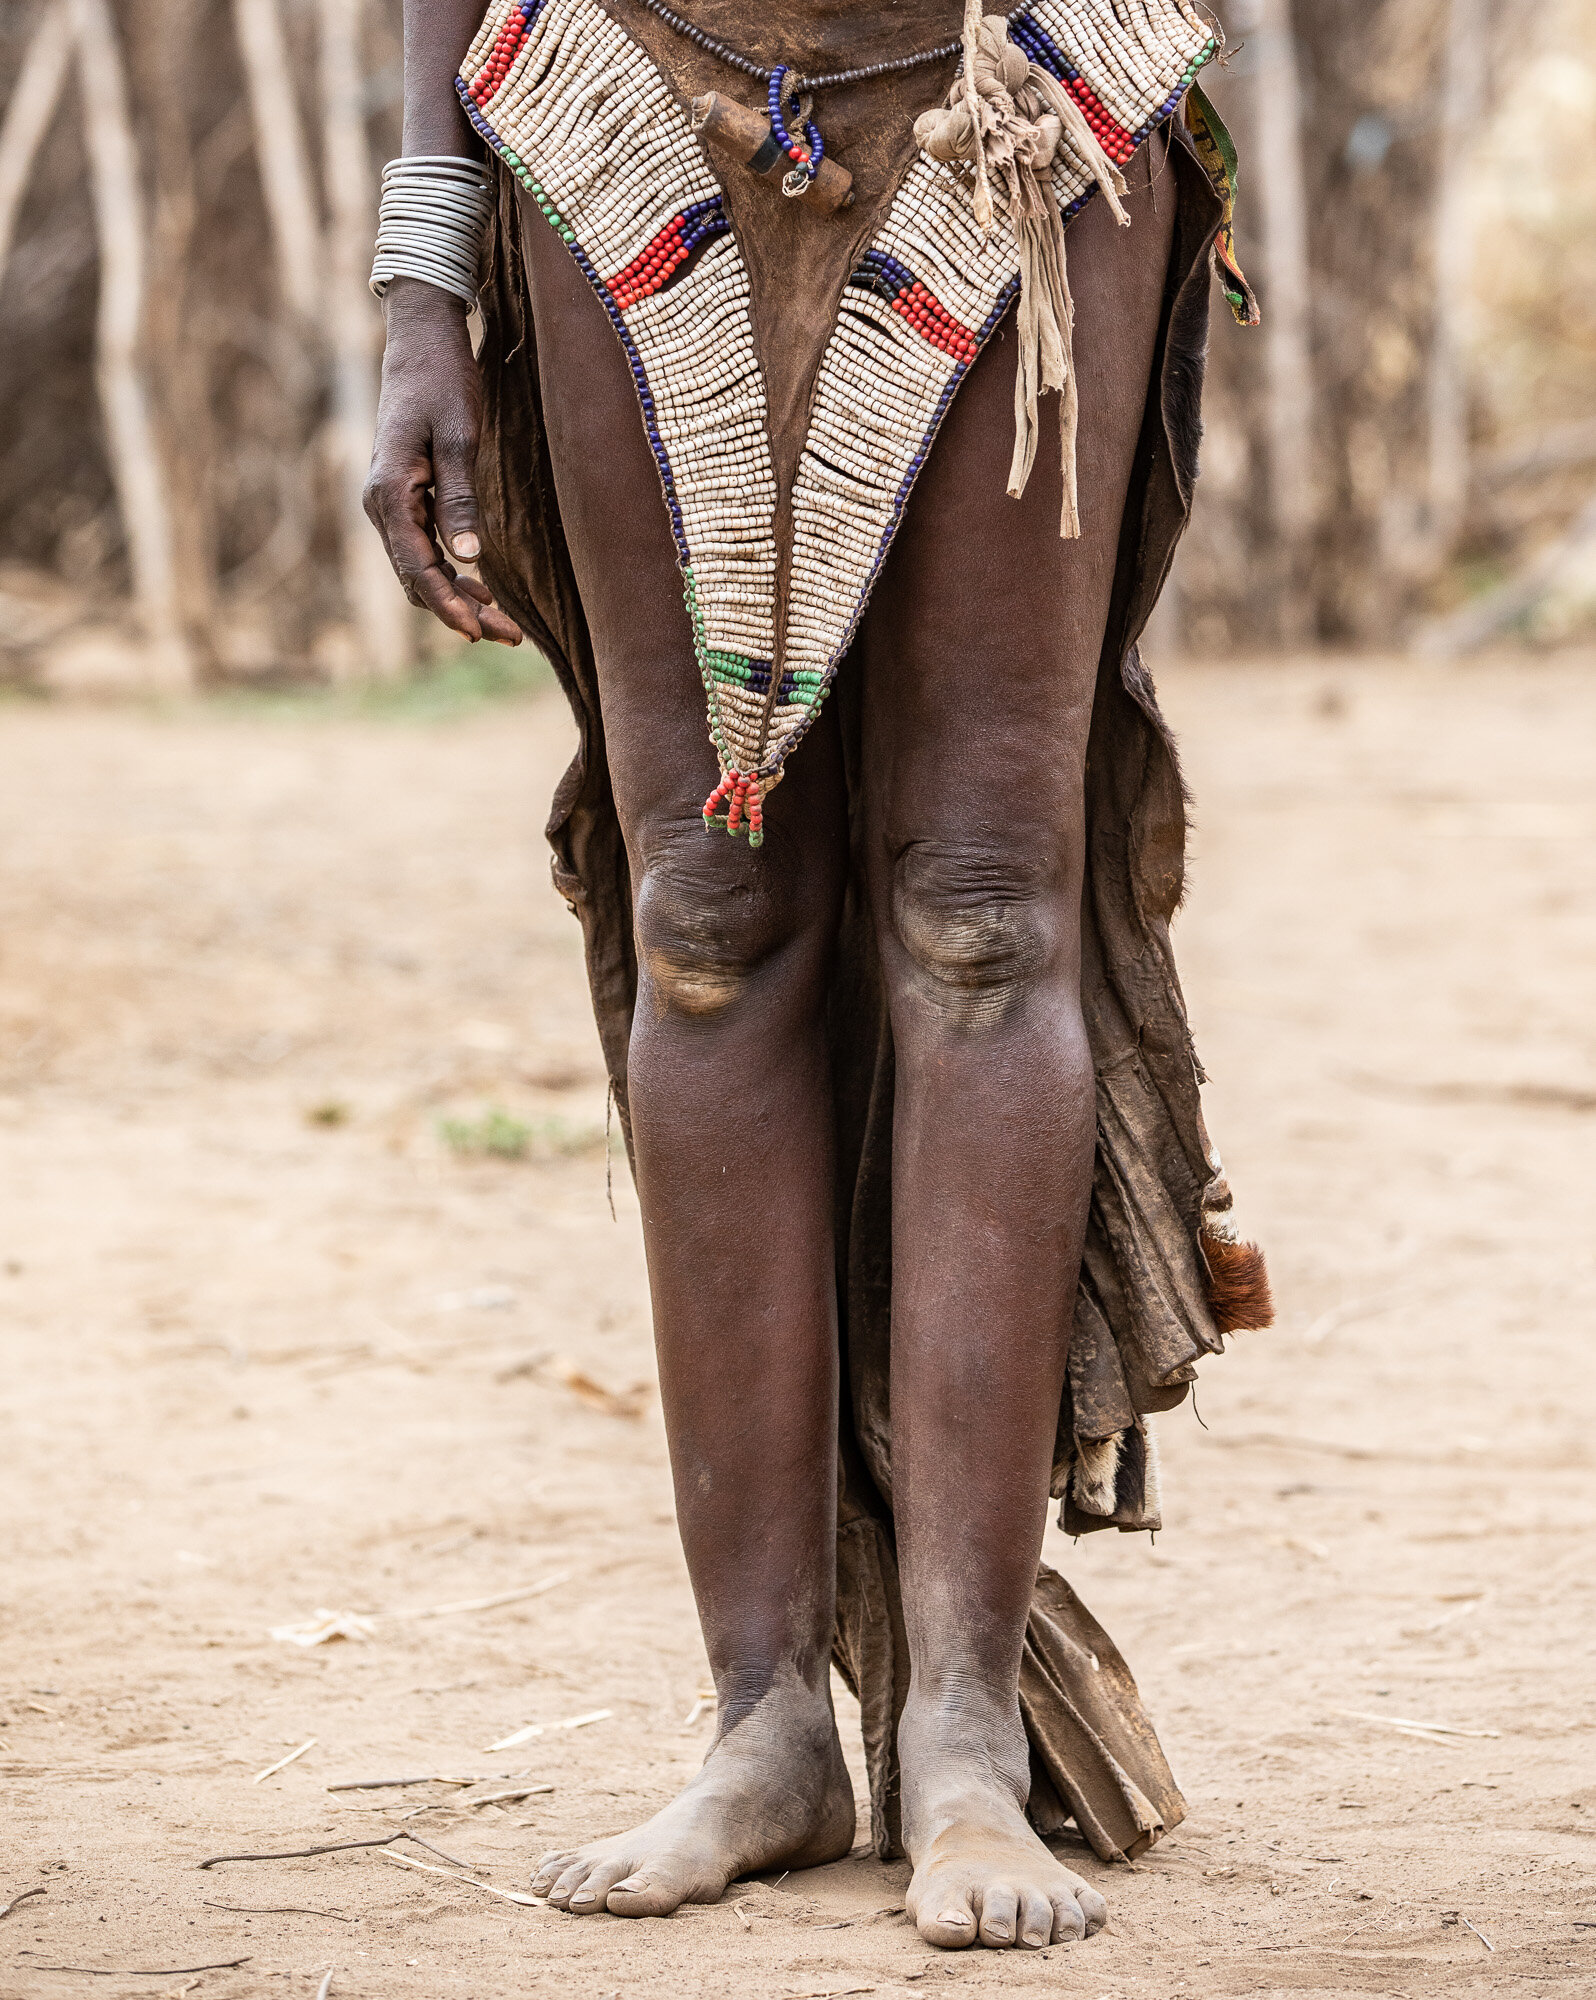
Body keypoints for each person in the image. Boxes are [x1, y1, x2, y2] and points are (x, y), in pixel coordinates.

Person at [365, 0, 1270, 1954]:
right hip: (619, 88)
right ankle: (765, 1719)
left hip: (1019, 91)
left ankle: (959, 1731)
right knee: (706, 909)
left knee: (981, 909)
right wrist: (421, 281)